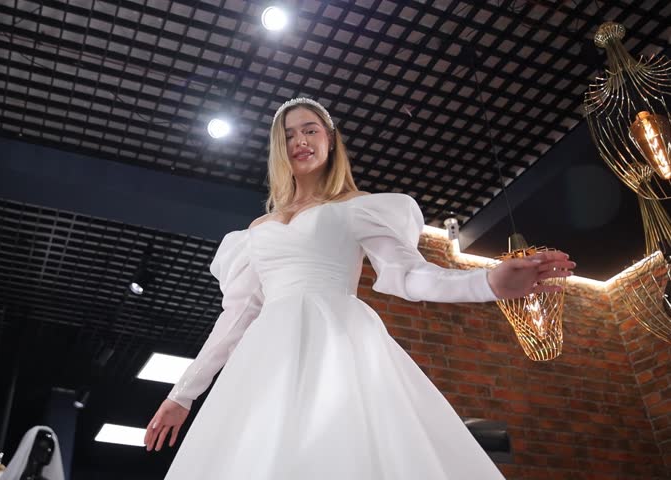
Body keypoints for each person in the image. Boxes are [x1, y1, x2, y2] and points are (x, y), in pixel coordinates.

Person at [144, 98, 574, 479]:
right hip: (267, 357)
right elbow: (235, 319)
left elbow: (410, 274)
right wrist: (182, 394)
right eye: (288, 134)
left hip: (340, 347)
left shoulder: (357, 208)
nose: (300, 140)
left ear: (330, 140)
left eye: (310, 129)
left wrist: (487, 281)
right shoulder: (255, 232)